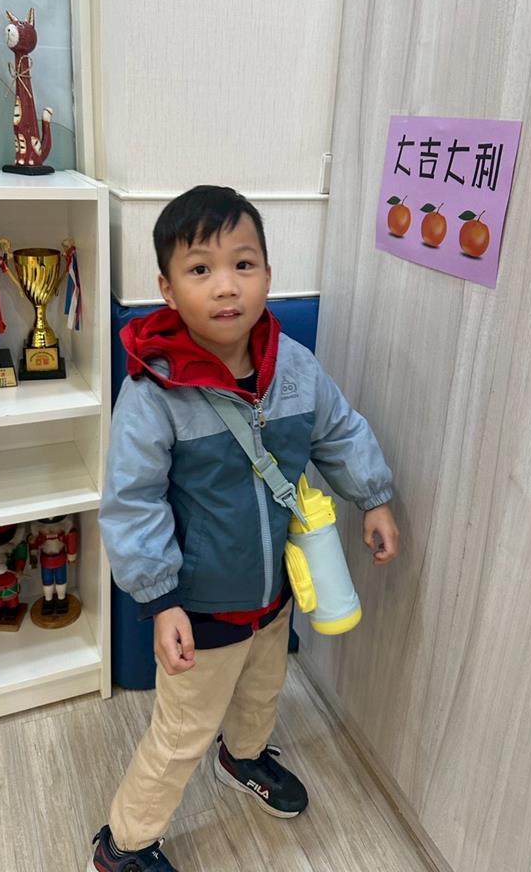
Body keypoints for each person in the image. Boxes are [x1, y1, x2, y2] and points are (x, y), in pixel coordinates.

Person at [91, 186, 399, 872]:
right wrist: (161, 599)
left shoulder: (294, 367)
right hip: (200, 605)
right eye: (200, 269)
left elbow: (339, 431)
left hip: (275, 590)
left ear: (267, 274)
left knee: (262, 692)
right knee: (180, 734)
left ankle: (244, 758)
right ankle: (124, 845)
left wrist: (373, 498)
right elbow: (132, 502)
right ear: (166, 288)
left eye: (243, 264)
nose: (226, 285)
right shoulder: (153, 392)